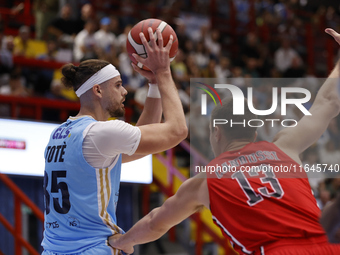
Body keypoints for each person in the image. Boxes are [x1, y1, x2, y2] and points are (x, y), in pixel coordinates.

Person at [109, 28, 340, 255]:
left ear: (216, 132)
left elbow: (153, 223)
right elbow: (328, 102)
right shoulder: (285, 146)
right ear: (255, 134)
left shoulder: (205, 181)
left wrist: (123, 241)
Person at [41, 27, 187, 254]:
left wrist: (155, 84)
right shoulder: (101, 133)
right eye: (118, 85)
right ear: (98, 90)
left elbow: (141, 143)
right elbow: (177, 131)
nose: (125, 91)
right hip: (91, 248)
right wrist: (164, 72)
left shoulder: (61, 134)